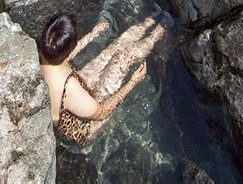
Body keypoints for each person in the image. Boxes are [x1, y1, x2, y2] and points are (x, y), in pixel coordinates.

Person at [40, 12, 168, 146]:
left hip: (76, 94)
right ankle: (157, 33)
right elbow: (101, 112)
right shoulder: (69, 88)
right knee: (122, 60)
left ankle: (148, 22)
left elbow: (64, 55)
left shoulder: (43, 53)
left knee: (115, 49)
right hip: (85, 126)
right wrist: (132, 82)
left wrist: (91, 35)